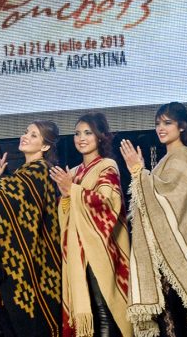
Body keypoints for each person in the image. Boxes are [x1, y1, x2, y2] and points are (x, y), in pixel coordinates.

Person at [120, 103, 187, 337]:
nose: (160, 129)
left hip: (178, 254)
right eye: (157, 124)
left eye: (167, 123)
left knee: (177, 321)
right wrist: (140, 173)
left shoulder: (182, 157)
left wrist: (137, 172)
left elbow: (165, 201)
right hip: (165, 258)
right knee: (169, 321)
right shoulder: (167, 158)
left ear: (182, 126)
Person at [0, 121, 62, 337]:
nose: (25, 136)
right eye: (26, 132)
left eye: (34, 135)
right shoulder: (22, 173)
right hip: (15, 265)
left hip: (31, 268)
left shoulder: (41, 171)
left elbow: (10, 202)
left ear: (45, 147)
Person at [51, 112, 130, 337]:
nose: (81, 138)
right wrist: (66, 196)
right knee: (90, 314)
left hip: (99, 250)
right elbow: (66, 215)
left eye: (88, 133)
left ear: (101, 137)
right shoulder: (74, 172)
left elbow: (107, 203)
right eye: (77, 133)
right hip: (78, 252)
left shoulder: (107, 165)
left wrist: (72, 190)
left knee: (104, 313)